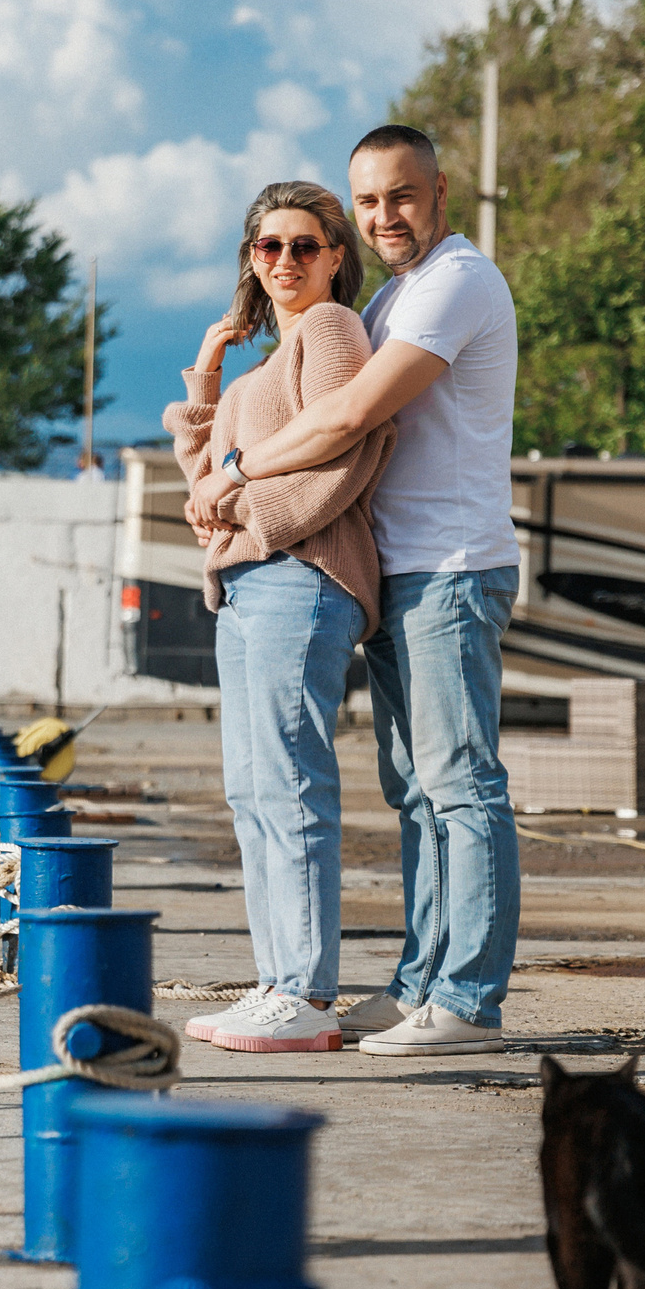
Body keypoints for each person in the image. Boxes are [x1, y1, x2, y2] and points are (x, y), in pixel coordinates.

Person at [214, 124, 520, 1057]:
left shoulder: (461, 281)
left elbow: (346, 417)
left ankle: (467, 1000)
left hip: (452, 565)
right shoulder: (394, 297)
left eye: (403, 196)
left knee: (462, 785)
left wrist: (235, 469)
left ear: (439, 192)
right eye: (372, 200)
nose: (389, 215)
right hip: (398, 569)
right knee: (417, 791)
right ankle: (419, 984)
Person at [162, 180, 396, 1054]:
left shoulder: (333, 331)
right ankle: (279, 981)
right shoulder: (270, 358)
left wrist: (250, 518)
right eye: (269, 247)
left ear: (338, 255)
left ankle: (302, 987)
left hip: (299, 573)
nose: (286, 261)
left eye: (305, 245)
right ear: (251, 262)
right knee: (252, 788)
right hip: (251, 583)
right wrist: (206, 379)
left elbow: (345, 445)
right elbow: (208, 480)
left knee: (289, 784)